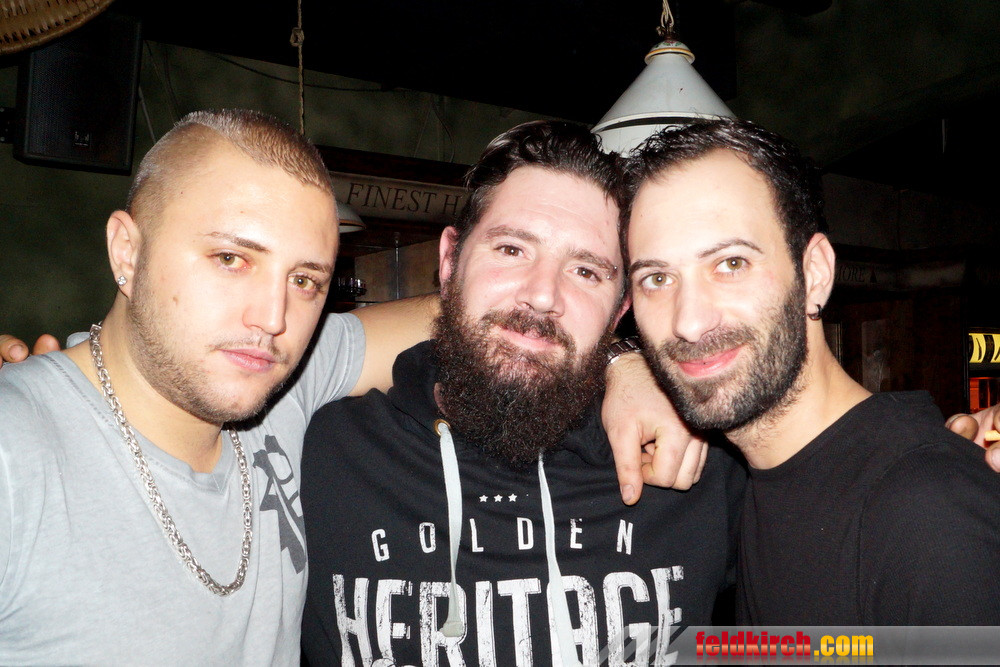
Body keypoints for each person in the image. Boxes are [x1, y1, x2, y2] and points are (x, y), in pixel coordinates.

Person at [0, 110, 701, 663]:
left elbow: (784, 641)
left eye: (306, 280)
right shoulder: (17, 453)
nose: (271, 317)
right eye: (230, 258)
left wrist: (628, 360)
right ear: (126, 250)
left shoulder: (287, 387)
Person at [300, 121, 745, 666]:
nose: (542, 295)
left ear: (620, 310)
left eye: (586, 271)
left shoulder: (698, 461)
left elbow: (817, 641)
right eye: (511, 249)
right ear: (449, 262)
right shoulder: (316, 452)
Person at [624, 117, 1000, 624]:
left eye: (731, 264)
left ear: (815, 273)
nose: (688, 322)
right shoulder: (749, 483)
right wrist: (620, 366)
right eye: (656, 278)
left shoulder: (928, 510)